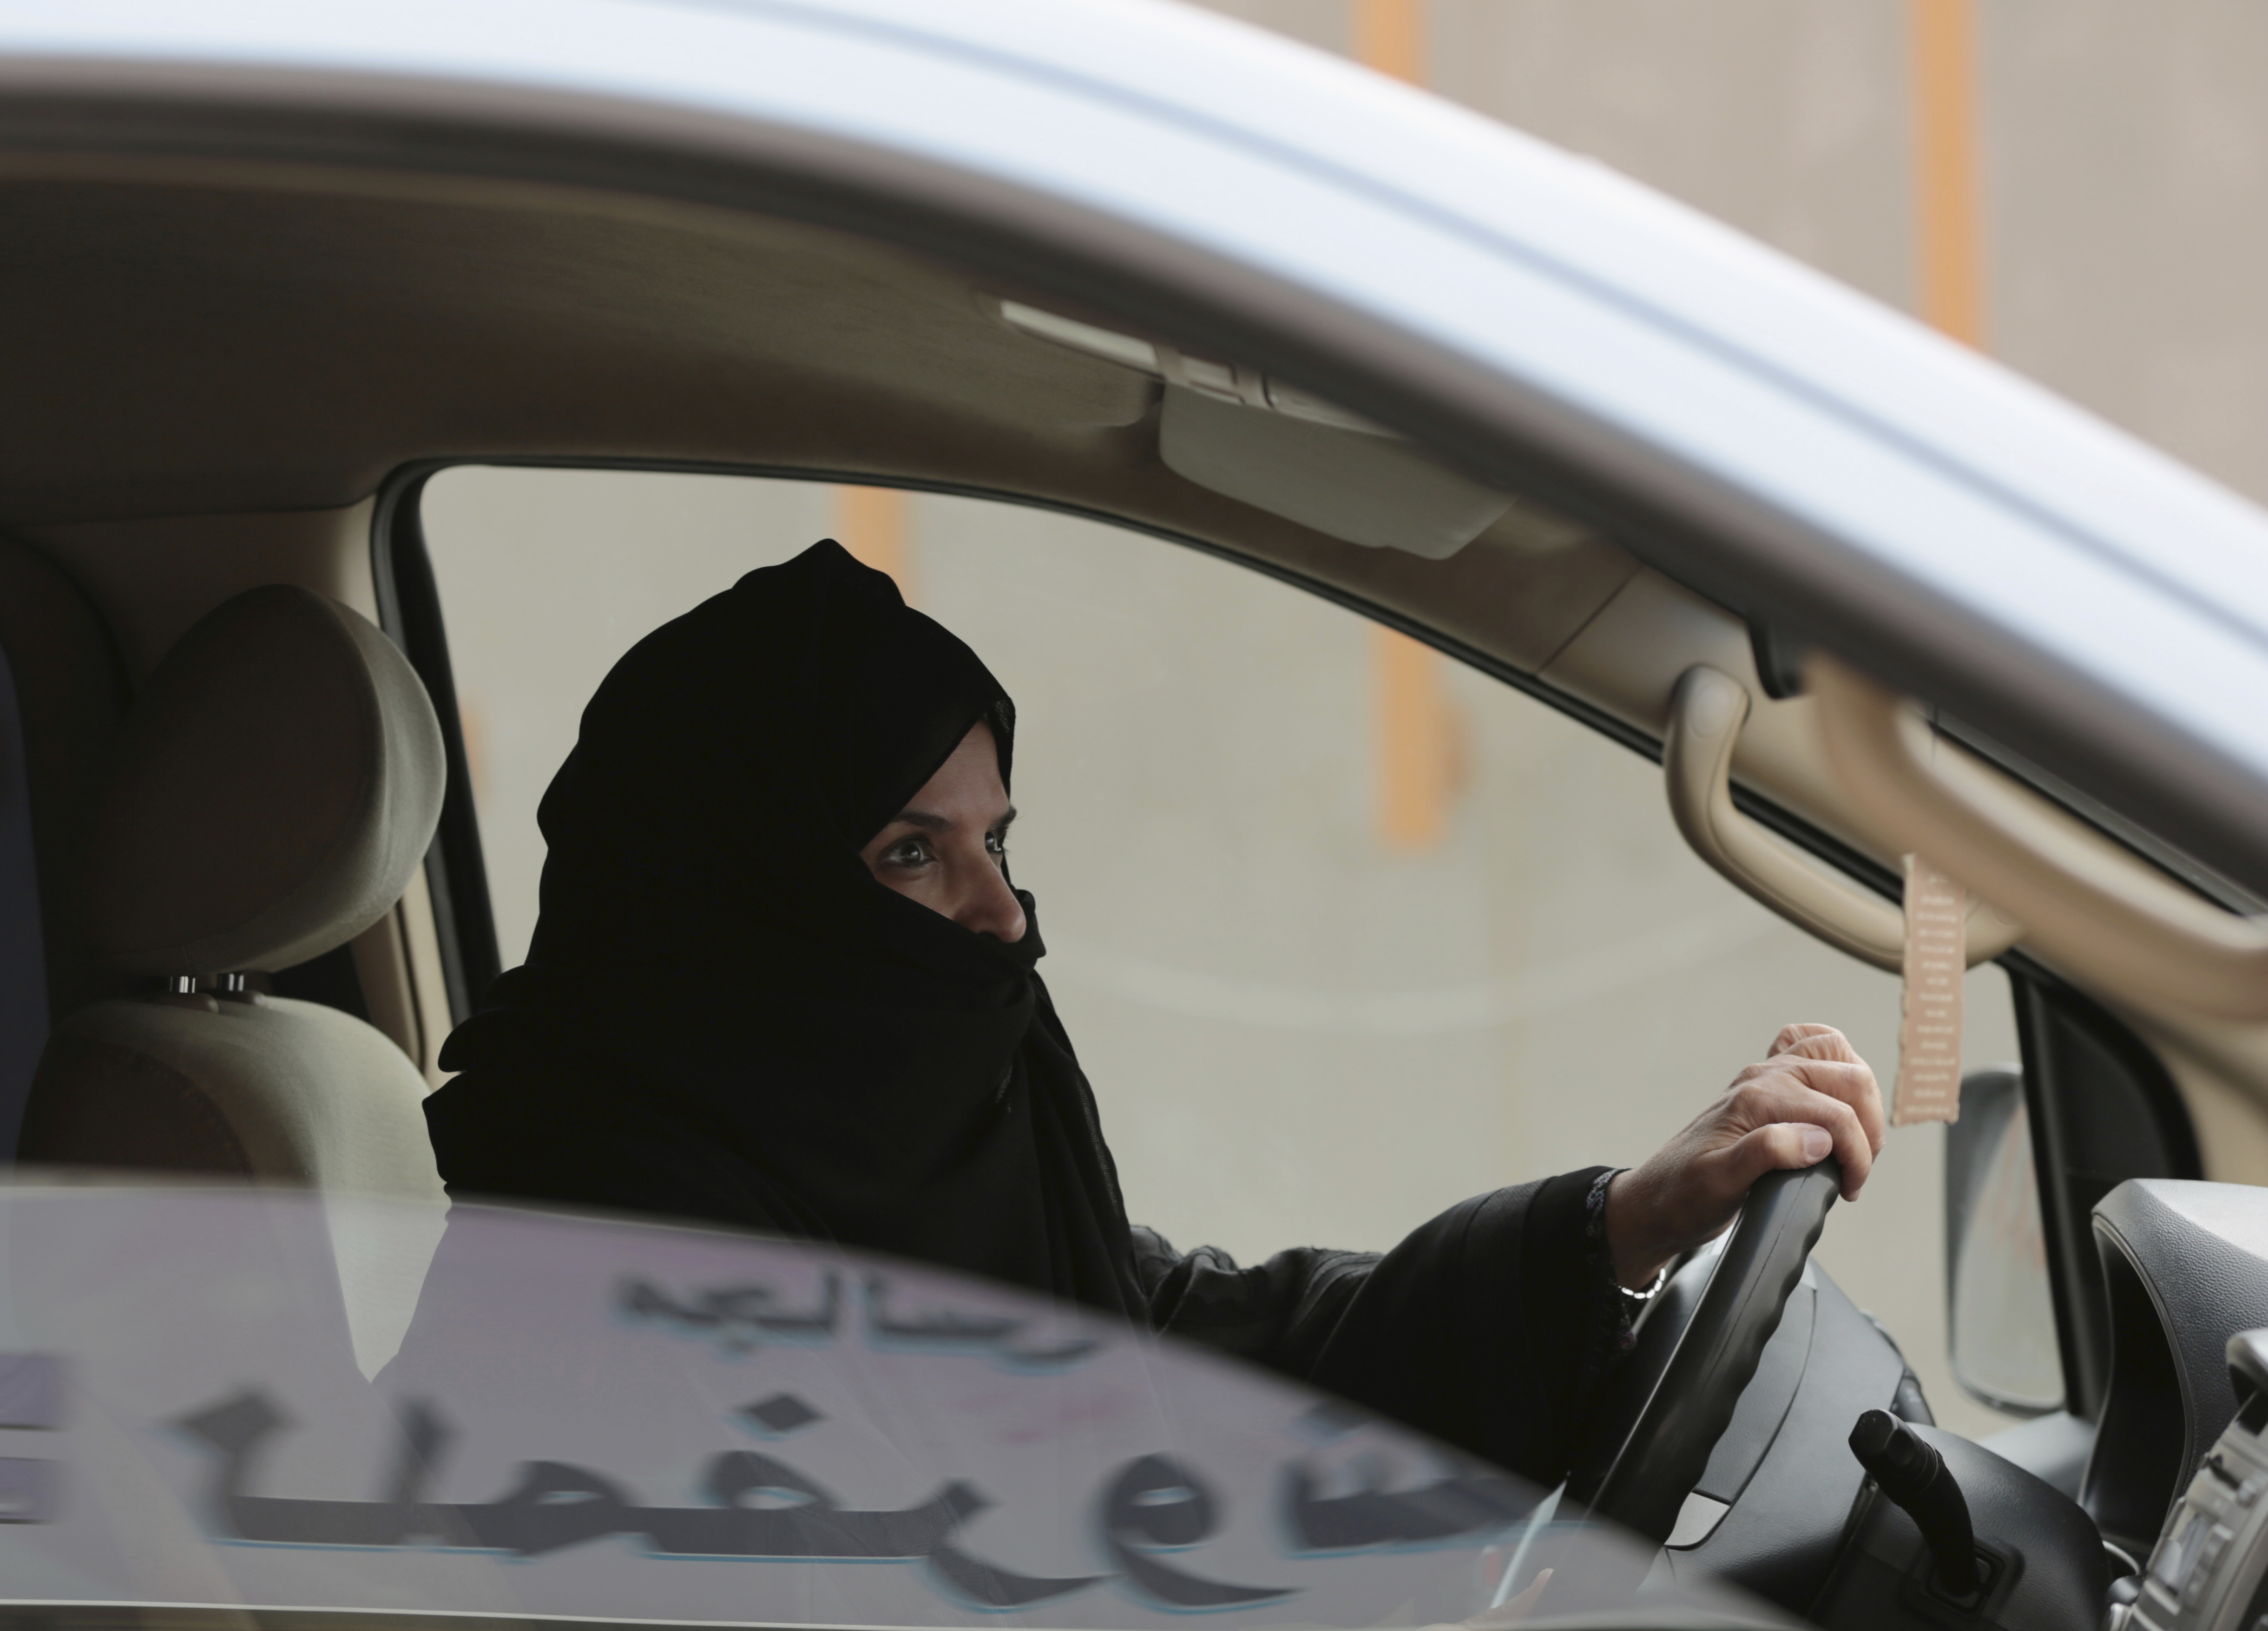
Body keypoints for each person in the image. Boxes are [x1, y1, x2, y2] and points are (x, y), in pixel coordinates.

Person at [426, 539, 1885, 1486]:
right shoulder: (580, 1276)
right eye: (909, 854)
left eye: (995, 842)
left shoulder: (918, 1182)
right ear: (735, 898)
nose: (1000, 920)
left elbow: (1188, 1354)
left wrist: (1609, 1229)